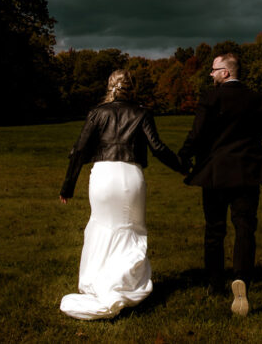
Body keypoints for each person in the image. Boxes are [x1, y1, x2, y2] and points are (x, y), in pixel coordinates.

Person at [58, 69, 184, 320]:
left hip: (102, 176)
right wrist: (184, 169)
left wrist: (68, 186)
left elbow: (79, 150)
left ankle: (98, 283)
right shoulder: (142, 113)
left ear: (109, 86)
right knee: (130, 230)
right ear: (132, 87)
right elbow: (157, 148)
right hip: (130, 177)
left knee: (101, 226)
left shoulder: (97, 113)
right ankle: (122, 286)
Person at [178, 53, 262, 317]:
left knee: (215, 230)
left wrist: (183, 156)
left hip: (214, 174)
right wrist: (255, 159)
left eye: (213, 70)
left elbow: (197, 134)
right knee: (245, 228)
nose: (210, 74)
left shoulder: (210, 98)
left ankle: (214, 284)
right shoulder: (258, 100)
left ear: (225, 72)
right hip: (247, 174)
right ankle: (242, 279)